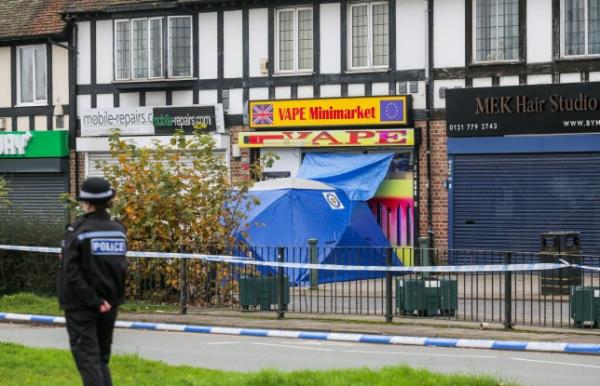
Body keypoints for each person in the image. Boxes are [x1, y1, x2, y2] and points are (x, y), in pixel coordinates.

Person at [58, 177, 127, 386]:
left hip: (82, 306)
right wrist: (109, 301)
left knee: (88, 360)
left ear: (86, 202)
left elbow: (72, 271)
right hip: (110, 305)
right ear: (109, 201)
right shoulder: (118, 231)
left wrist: (94, 300)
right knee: (100, 359)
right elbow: (118, 268)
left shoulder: (79, 231)